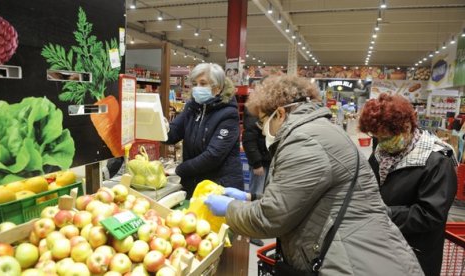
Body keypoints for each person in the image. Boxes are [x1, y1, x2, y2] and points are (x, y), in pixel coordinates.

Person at [204, 75, 423, 275]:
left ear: (280, 113)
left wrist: (229, 209)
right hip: (366, 252)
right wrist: (250, 199)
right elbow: (301, 197)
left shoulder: (305, 142)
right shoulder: (318, 130)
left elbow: (271, 218)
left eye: (263, 121)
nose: (262, 129)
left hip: (353, 262)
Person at [359, 94, 457, 276]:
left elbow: (430, 214)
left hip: (415, 255)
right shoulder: (381, 152)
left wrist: (383, 213)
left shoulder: (437, 162)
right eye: (377, 136)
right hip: (382, 246)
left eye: (387, 137)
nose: (382, 142)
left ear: (407, 126)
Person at [165, 63, 243, 198]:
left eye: (203, 83)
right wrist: (160, 127)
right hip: (195, 183)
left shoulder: (228, 114)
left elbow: (213, 156)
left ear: (217, 88)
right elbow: (173, 134)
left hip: (219, 187)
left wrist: (179, 170)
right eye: (195, 83)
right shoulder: (192, 107)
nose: (197, 88)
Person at [242, 108, 271, 247]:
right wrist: (257, 163)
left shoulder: (270, 109)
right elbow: (249, 139)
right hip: (260, 163)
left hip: (269, 161)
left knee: (264, 196)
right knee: (255, 197)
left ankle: (259, 227)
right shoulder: (254, 110)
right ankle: (251, 232)